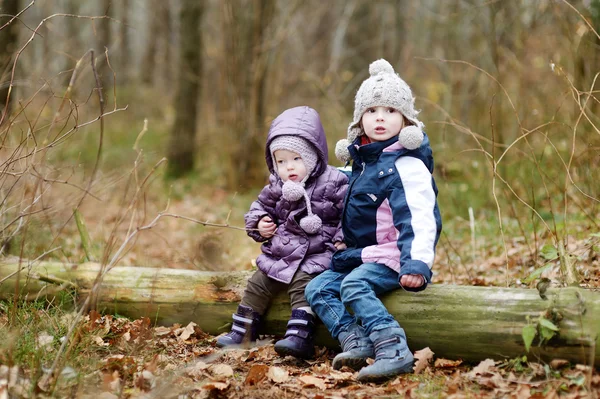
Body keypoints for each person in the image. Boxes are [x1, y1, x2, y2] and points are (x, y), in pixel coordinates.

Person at [305, 59, 442, 382]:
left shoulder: (406, 166)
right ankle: (357, 340)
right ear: (359, 121)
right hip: (365, 254)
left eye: (390, 111)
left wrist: (416, 265)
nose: (380, 117)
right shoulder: (363, 163)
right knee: (319, 288)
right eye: (371, 111)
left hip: (395, 256)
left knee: (354, 284)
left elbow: (421, 219)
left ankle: (393, 347)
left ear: (406, 119)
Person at [216, 106, 348, 360]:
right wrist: (261, 222)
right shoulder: (277, 184)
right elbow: (261, 206)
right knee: (258, 283)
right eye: (281, 161)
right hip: (282, 251)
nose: (289, 167)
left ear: (312, 156)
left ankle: (299, 336)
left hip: (318, 251)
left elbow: (348, 214)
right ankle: (242, 332)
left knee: (303, 285)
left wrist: (342, 239)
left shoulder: (334, 181)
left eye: (296, 158)